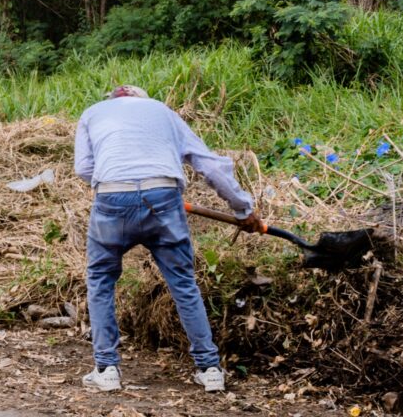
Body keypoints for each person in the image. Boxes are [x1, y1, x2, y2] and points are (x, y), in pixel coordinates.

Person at [74, 85, 262, 393]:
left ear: (113, 101)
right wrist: (242, 208)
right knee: (183, 282)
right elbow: (210, 165)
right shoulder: (163, 112)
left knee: (100, 279)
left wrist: (120, 183)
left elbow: (83, 168)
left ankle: (107, 369)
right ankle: (210, 369)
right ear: (141, 99)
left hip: (111, 198)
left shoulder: (92, 113)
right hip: (164, 196)